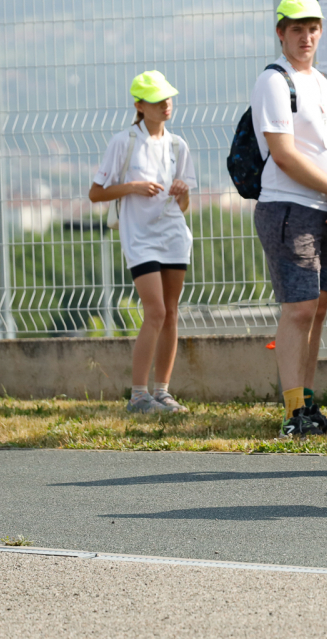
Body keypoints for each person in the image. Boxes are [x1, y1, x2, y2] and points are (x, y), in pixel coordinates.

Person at [251, 0, 327, 437]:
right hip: (288, 207)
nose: (306, 37)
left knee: (317, 309)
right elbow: (283, 154)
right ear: (281, 33)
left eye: (313, 28)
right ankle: (293, 412)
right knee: (298, 309)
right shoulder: (275, 81)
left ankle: (309, 406)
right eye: (297, 29)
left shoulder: (326, 82)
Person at [89, 70, 196, 414]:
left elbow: (183, 205)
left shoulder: (178, 145)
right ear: (139, 105)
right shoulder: (124, 142)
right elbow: (96, 193)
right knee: (156, 311)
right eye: (156, 100)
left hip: (173, 235)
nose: (166, 105)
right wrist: (133, 187)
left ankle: (162, 392)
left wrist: (182, 192)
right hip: (139, 238)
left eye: (168, 98)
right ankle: (138, 395)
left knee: (171, 312)